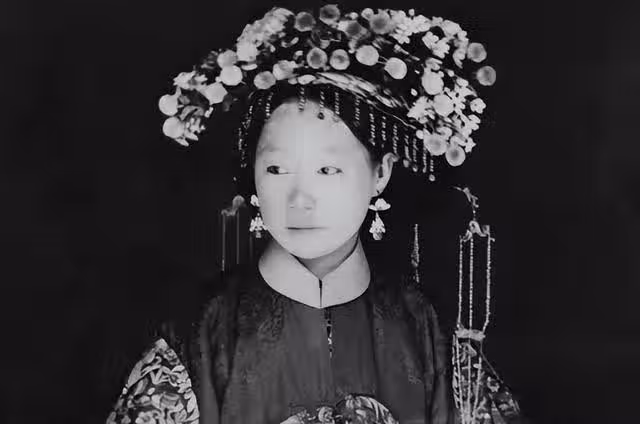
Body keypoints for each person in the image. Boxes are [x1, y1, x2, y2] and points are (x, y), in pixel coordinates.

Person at [106, 4, 517, 424]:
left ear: (381, 173)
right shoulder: (198, 338)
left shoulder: (430, 332)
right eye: (276, 169)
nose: (299, 198)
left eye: (327, 170)